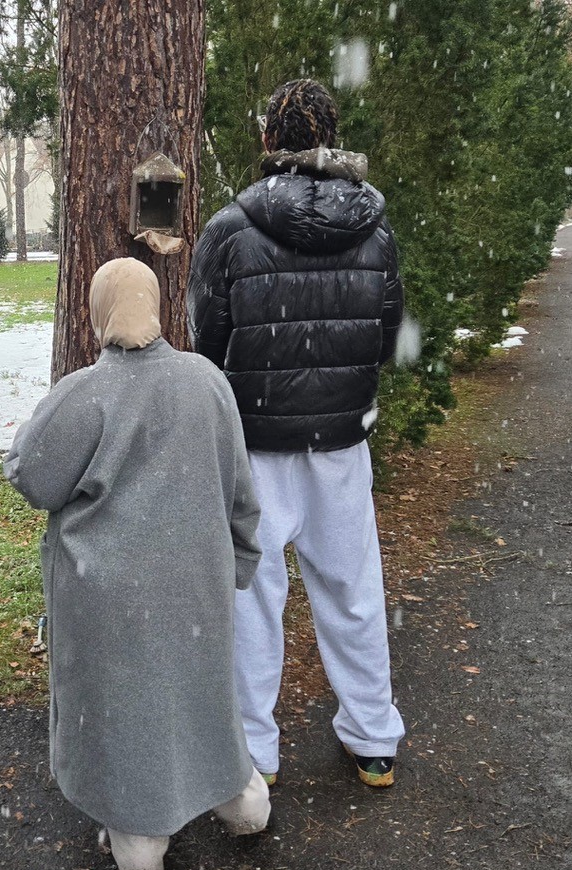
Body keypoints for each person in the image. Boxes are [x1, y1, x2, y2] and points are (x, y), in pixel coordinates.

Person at [4, 258, 270, 870]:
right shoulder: (206, 381)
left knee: (124, 715)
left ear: (97, 311)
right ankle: (239, 800)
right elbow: (240, 490)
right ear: (157, 305)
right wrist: (239, 562)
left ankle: (139, 844)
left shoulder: (84, 393)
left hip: (109, 596)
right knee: (201, 696)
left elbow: (33, 478)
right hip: (196, 586)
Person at [187, 78, 406, 788]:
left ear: (266, 140)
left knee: (252, 597)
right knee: (351, 589)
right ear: (329, 135)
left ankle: (253, 753)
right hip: (340, 438)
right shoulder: (374, 227)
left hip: (254, 440)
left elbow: (205, 341)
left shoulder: (228, 229)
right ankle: (372, 734)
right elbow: (384, 333)